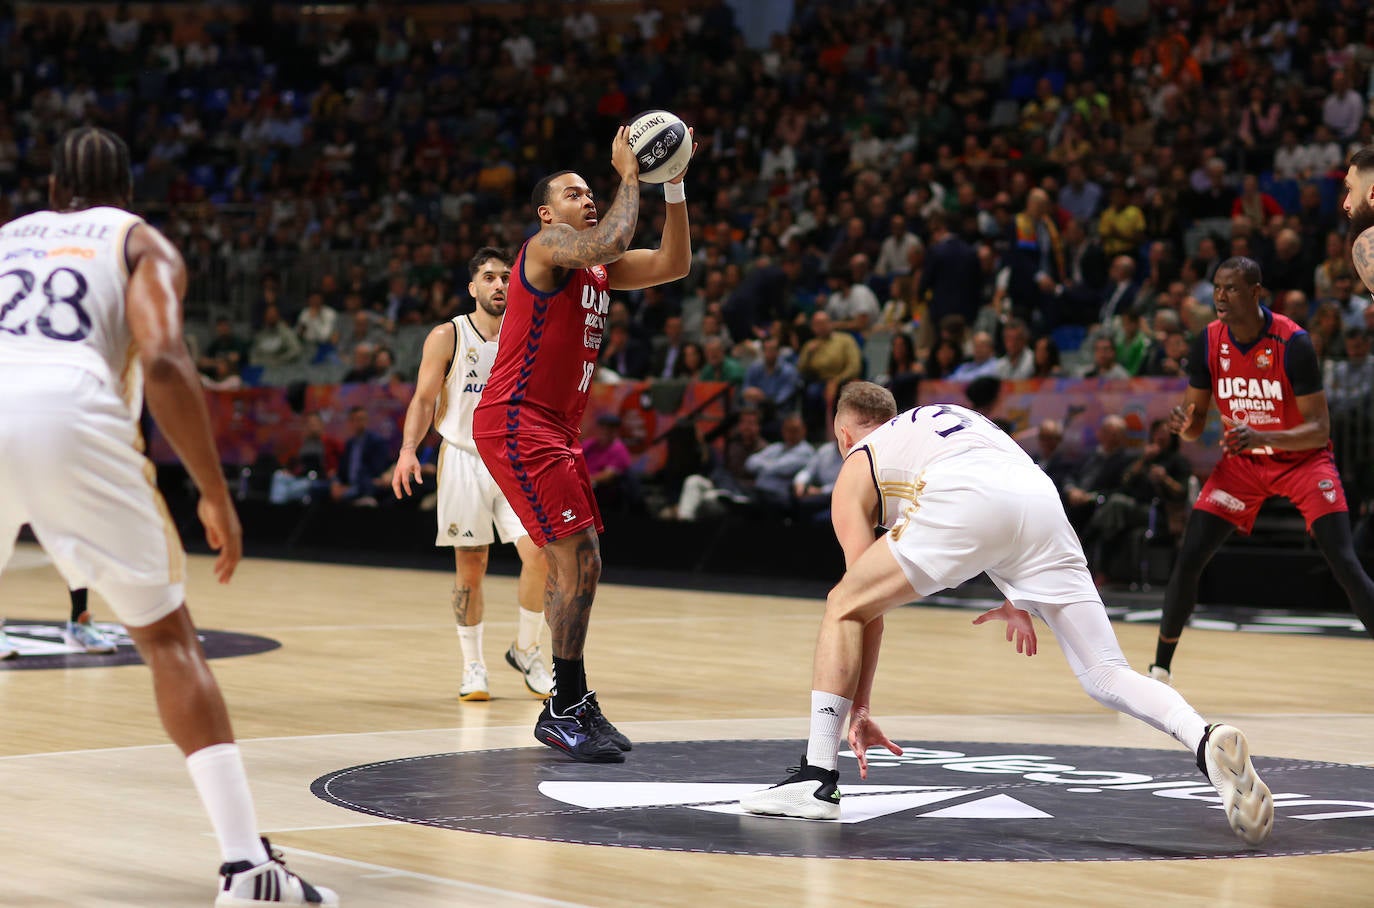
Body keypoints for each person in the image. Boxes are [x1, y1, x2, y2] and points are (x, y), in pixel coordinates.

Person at [0, 127, 335, 904]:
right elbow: (164, 360)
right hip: (68, 411)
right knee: (167, 639)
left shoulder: (10, 237)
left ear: (53, 192)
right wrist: (214, 493)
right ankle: (247, 867)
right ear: (125, 193)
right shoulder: (139, 242)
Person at [738, 383, 1272, 848]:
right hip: (1040, 499)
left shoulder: (859, 460)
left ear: (845, 437)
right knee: (1106, 672)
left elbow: (860, 607)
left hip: (971, 497)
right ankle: (1205, 739)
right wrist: (1019, 593)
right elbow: (1003, 495)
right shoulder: (944, 420)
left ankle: (815, 777)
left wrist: (860, 709)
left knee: (839, 603)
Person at [472, 126, 693, 763]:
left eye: (592, 190)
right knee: (579, 559)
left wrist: (671, 184)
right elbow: (617, 235)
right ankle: (565, 706)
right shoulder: (544, 246)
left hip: (553, 429)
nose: (588, 198)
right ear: (547, 213)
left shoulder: (596, 265)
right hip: (517, 420)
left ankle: (570, 698)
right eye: (575, 193)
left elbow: (673, 264)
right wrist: (630, 174)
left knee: (580, 562)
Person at [1150, 257, 1374, 684]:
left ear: (1256, 292)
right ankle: (1160, 668)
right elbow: (1195, 424)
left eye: (1231, 288)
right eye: (1216, 287)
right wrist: (1186, 426)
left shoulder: (1294, 342)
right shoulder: (1208, 341)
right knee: (1190, 556)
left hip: (1302, 462)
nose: (1220, 296)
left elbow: (1318, 430)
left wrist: (1263, 437)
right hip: (1242, 465)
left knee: (1344, 563)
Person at [391, 247, 553, 702]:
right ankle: (473, 666)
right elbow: (424, 399)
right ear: (473, 287)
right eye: (489, 278)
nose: (499, 285)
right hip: (463, 456)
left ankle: (527, 651)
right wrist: (408, 450)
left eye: (505, 277)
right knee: (471, 568)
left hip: (516, 458)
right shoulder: (448, 334)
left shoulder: (529, 331)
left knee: (540, 554)